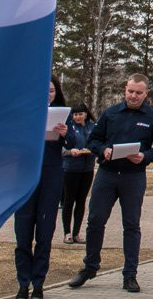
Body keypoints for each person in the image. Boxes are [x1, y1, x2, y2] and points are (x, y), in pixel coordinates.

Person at [68, 74, 153, 294]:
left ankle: (130, 274)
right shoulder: (110, 113)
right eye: (130, 91)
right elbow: (93, 140)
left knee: (131, 225)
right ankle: (90, 267)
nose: (133, 96)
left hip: (133, 177)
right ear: (125, 89)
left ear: (146, 94)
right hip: (107, 174)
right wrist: (102, 149)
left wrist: (145, 156)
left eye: (138, 93)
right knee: (95, 221)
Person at [14, 74, 68, 299]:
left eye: (52, 91)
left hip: (51, 176)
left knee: (44, 235)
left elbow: (78, 143)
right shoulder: (23, 112)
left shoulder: (64, 115)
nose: (48, 94)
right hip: (25, 176)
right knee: (23, 235)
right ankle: (23, 283)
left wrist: (66, 134)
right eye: (43, 90)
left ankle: (38, 284)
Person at [62, 102, 96, 244]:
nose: (78, 117)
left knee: (81, 201)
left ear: (86, 114)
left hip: (87, 168)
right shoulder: (68, 127)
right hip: (71, 168)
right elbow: (65, 145)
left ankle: (76, 233)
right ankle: (67, 233)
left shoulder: (92, 127)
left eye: (80, 114)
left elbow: (96, 143)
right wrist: (71, 151)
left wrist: (94, 150)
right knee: (68, 201)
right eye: (75, 114)